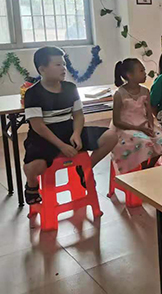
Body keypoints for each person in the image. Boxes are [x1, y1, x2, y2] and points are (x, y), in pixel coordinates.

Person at [22, 47, 118, 204]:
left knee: (111, 136)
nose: (64, 68)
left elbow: (78, 115)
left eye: (64, 64)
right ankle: (31, 184)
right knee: (34, 167)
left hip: (69, 131)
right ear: (42, 69)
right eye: (58, 65)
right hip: (43, 137)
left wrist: (76, 133)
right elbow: (38, 126)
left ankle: (84, 169)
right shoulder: (33, 93)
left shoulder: (70, 88)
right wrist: (62, 146)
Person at [111, 58, 162, 172]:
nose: (145, 73)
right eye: (141, 71)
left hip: (143, 124)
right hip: (126, 128)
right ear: (130, 75)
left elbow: (148, 113)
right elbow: (117, 121)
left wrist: (150, 126)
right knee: (144, 143)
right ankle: (141, 168)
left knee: (160, 140)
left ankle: (149, 167)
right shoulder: (119, 94)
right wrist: (139, 128)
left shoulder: (145, 91)